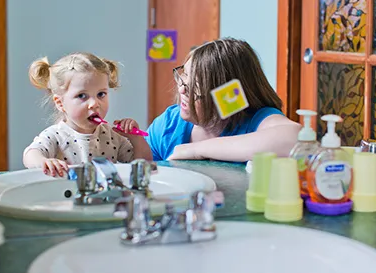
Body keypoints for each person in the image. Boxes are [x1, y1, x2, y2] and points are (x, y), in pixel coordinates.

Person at [146, 38, 300, 162]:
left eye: (197, 86)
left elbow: (296, 139)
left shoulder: (254, 120)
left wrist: (196, 150)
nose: (182, 89)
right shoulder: (169, 124)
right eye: (184, 75)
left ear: (228, 95)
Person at [23, 52, 152, 177]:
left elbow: (143, 166)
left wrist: (136, 139)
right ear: (60, 103)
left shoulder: (112, 136)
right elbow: (30, 155)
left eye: (101, 94)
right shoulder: (56, 136)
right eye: (82, 96)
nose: (95, 103)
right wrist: (43, 162)